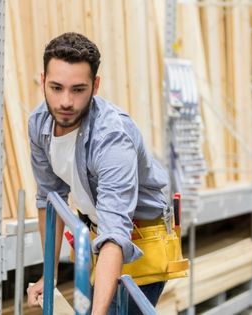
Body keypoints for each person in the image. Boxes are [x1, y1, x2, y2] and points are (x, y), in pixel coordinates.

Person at [26, 32, 169, 314]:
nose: (65, 101)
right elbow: (48, 199)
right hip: (98, 238)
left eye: (78, 89)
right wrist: (50, 274)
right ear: (43, 81)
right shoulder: (39, 123)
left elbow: (115, 233)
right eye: (56, 87)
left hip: (138, 237)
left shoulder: (112, 138)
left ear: (96, 86)